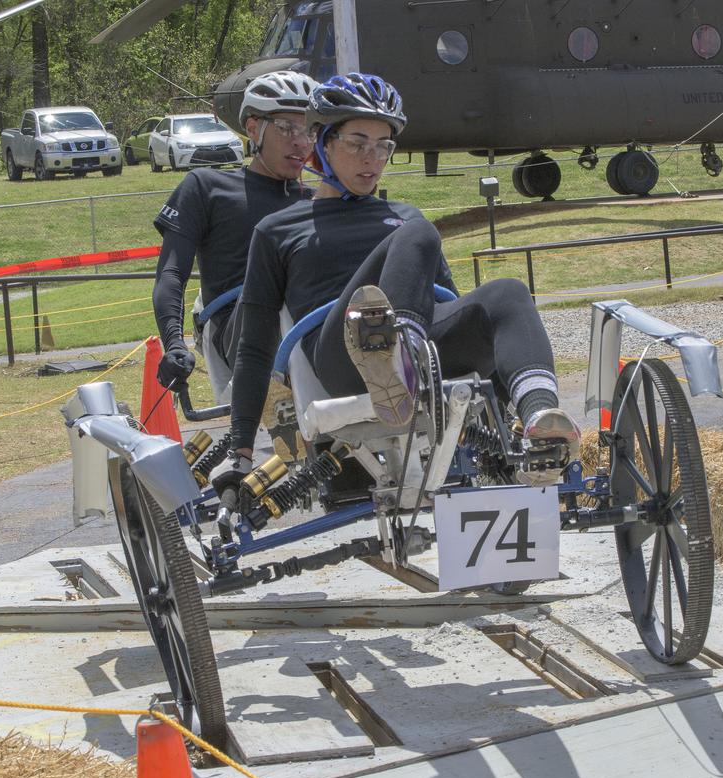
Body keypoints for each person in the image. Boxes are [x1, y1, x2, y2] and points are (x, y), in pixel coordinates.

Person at [216, 73, 580, 495]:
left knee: (508, 293)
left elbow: (456, 312)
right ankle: (394, 359)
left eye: (383, 146)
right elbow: (255, 346)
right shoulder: (277, 230)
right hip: (341, 356)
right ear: (323, 144)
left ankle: (541, 428)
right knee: (419, 232)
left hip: (422, 347)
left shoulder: (403, 215)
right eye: (356, 143)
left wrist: (498, 427)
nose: (371, 158)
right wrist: (240, 450)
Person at [151, 71, 318, 400]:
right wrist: (173, 343)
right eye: (287, 128)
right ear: (253, 129)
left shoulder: (315, 200)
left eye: (310, 131)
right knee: (278, 293)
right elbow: (170, 273)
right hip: (237, 327)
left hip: (306, 324)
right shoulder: (206, 187)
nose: (301, 142)